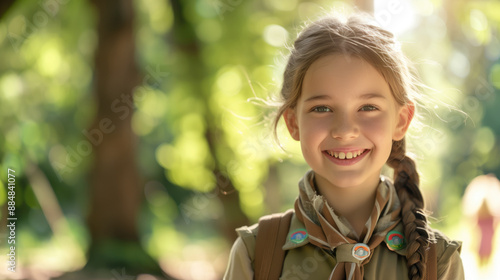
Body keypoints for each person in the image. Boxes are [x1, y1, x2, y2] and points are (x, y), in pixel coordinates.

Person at [224, 13, 464, 280]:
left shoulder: (438, 260)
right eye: (322, 108)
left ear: (401, 120)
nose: (345, 130)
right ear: (293, 123)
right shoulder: (256, 253)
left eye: (368, 107)